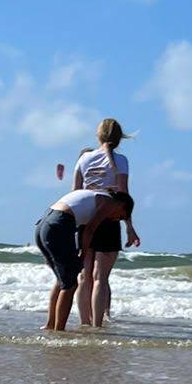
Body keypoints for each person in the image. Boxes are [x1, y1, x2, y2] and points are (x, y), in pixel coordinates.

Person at [35, 185, 136, 332]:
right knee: (70, 285)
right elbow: (89, 230)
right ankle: (59, 331)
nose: (116, 220)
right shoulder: (110, 203)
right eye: (121, 216)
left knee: (62, 280)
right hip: (59, 225)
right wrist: (82, 254)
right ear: (122, 205)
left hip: (44, 224)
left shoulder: (93, 195)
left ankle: (51, 325)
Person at [71, 118, 141, 328]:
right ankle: (97, 326)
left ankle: (84, 323)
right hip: (109, 218)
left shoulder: (83, 159)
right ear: (119, 139)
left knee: (85, 276)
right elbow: (123, 197)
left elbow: (75, 193)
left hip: (85, 217)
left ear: (98, 136)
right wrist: (129, 226)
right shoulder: (122, 161)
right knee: (100, 277)